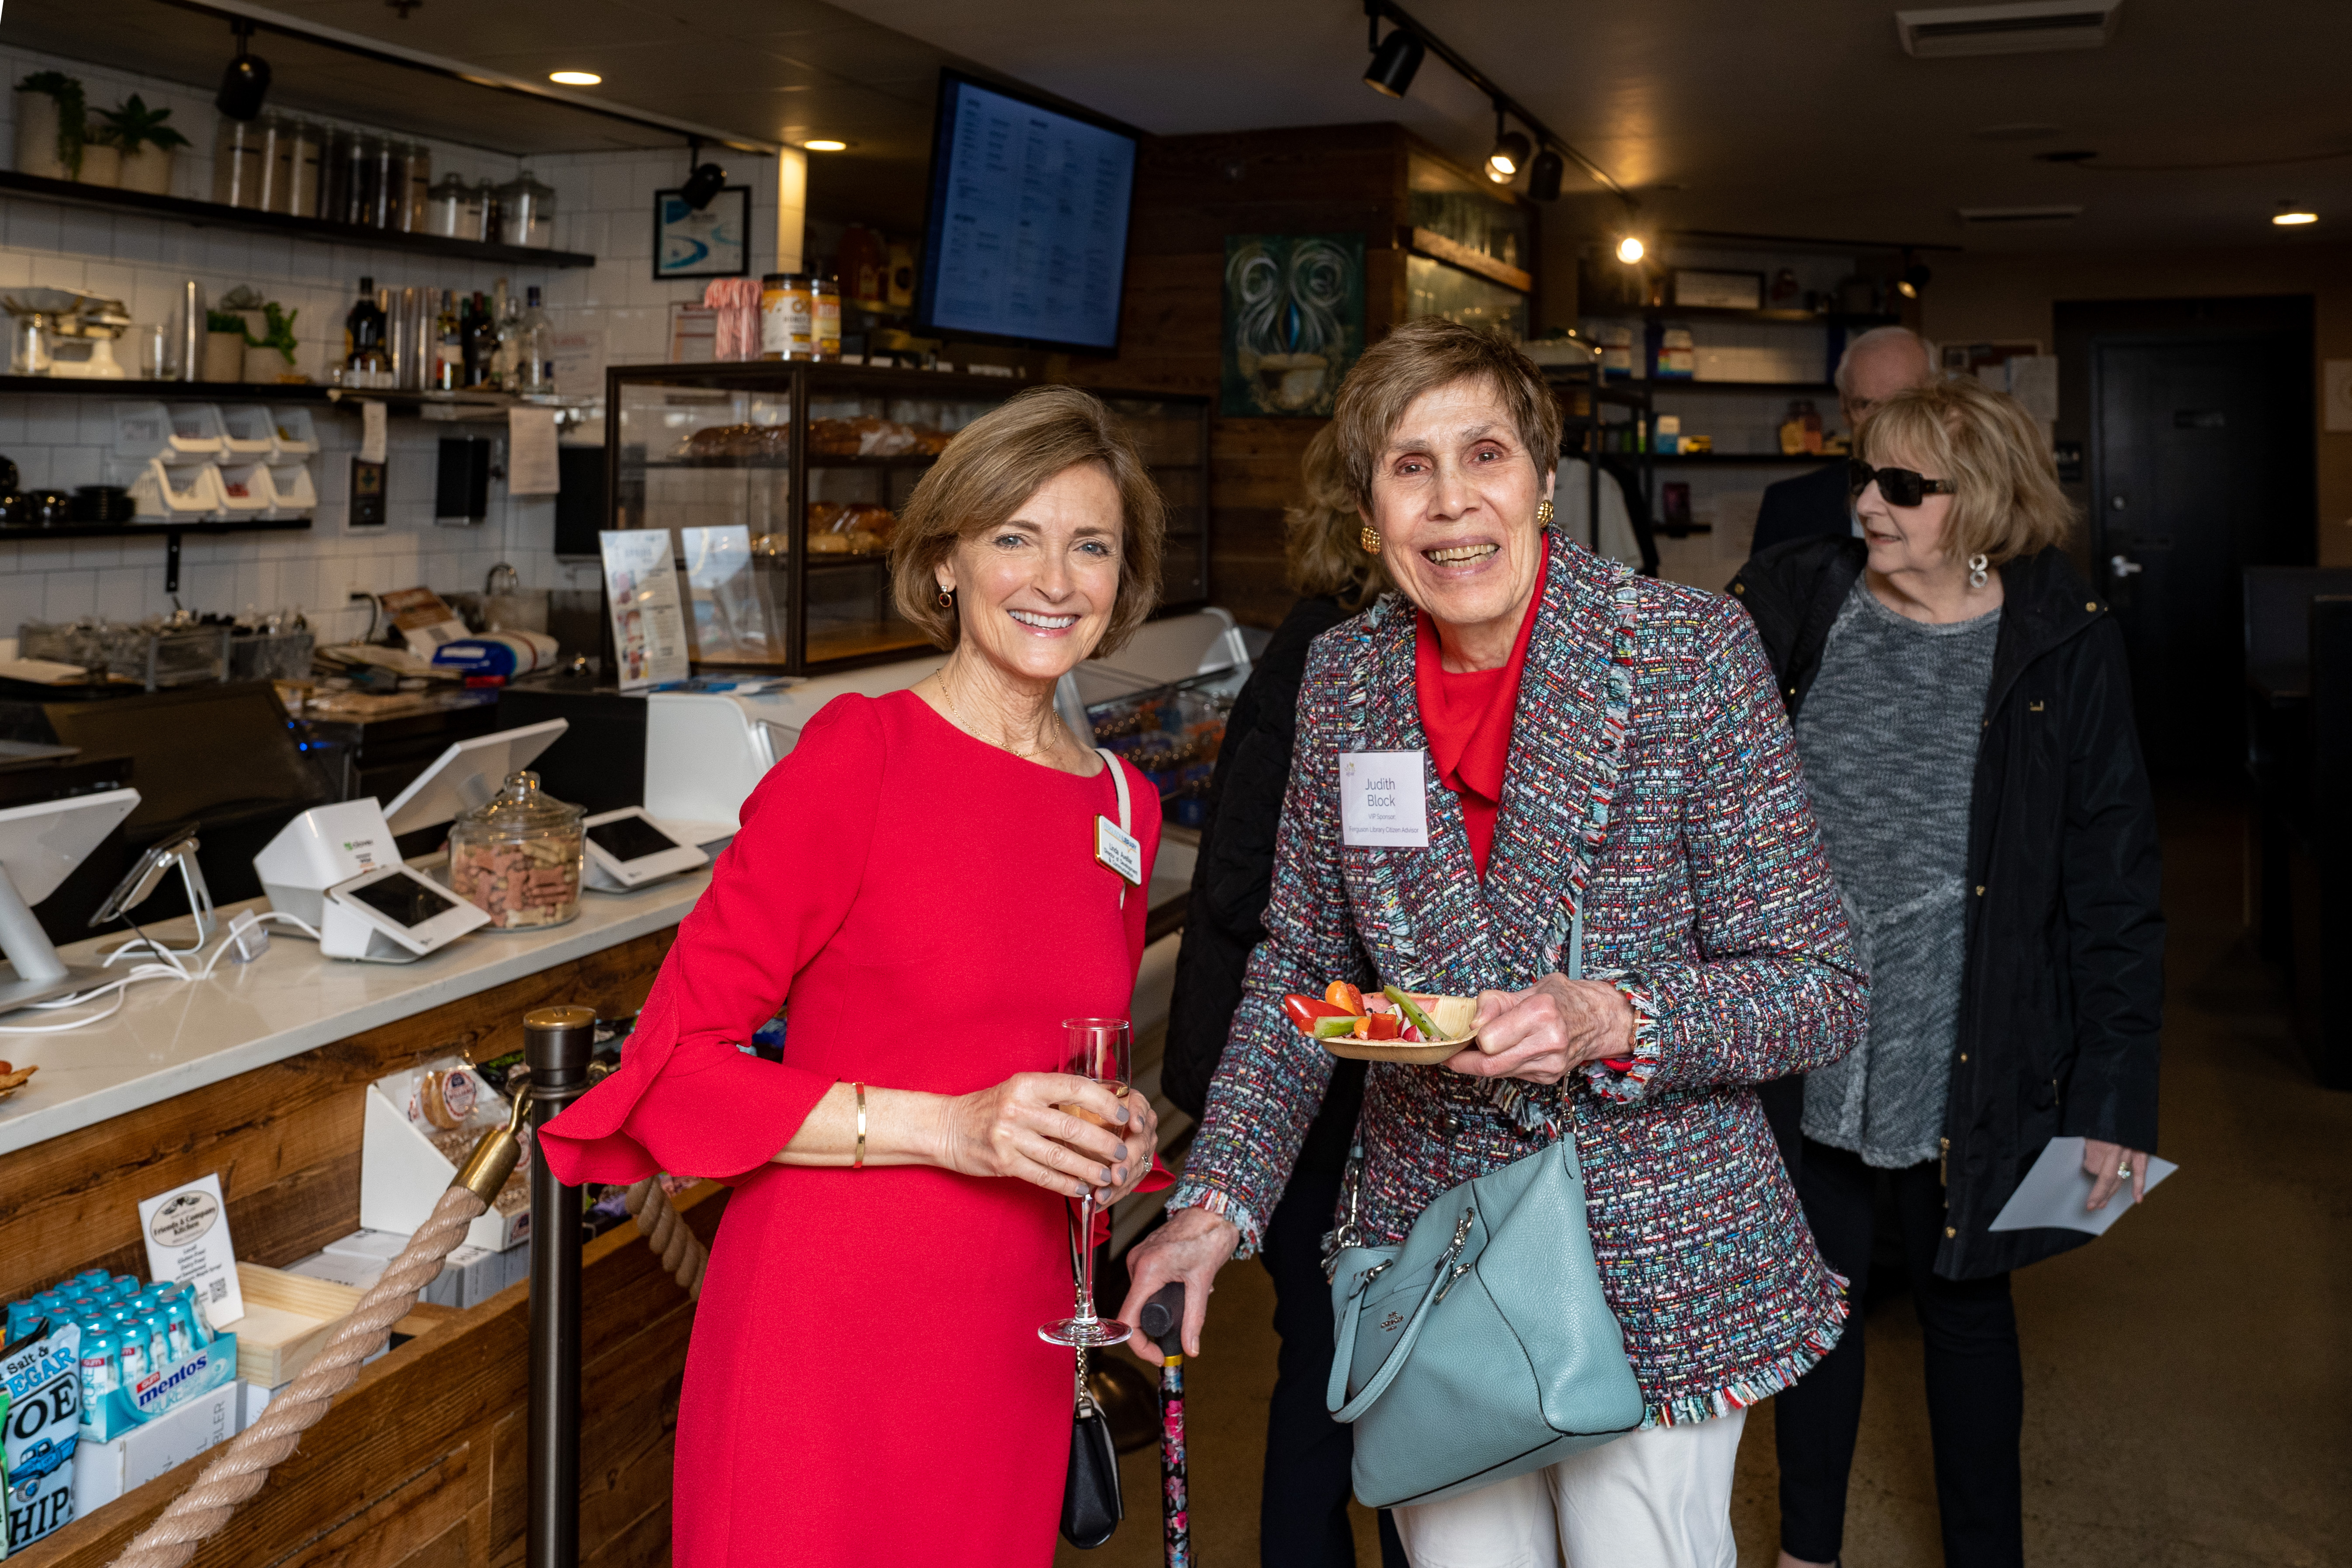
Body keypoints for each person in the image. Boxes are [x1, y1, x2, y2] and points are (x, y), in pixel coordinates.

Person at [1121, 319, 1868, 1568]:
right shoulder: (1344, 680)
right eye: (1408, 467)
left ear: (1541, 477)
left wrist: (1613, 1018)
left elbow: (1817, 987)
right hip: (1435, 1245)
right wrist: (1211, 1207)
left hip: (1653, 1241)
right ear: (1366, 513)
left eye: (1483, 454)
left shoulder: (1683, 654)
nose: (1451, 502)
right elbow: (1300, 969)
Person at [538, 385, 1170, 1568]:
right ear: (944, 562)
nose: (1053, 577)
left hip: (1011, 1341)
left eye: (1088, 543)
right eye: (1012, 537)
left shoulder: (1122, 804)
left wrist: (1115, 1136)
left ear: (1121, 577)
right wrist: (952, 1127)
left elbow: (1055, 1050)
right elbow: (671, 1066)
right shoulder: (859, 761)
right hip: (827, 1337)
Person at [1727, 377, 2164, 1568]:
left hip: (1970, 1032)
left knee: (1967, 1308)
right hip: (1808, 1027)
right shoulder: (1794, 599)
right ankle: (1803, 1550)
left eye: (1901, 488)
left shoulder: (2059, 639)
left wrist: (2110, 1102)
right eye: (1862, 474)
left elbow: (2112, 891)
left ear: (1979, 506)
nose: (1863, 503)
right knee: (1808, 1307)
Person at [1162, 424, 1407, 1568]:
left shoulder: (1379, 643)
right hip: (1315, 1075)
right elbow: (1254, 882)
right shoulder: (1330, 653)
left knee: (1358, 1365)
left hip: (1364, 1071)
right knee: (1328, 1367)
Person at [1751, 326, 1936, 552]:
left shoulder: (1973, 504)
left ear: (1936, 404)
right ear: (1844, 408)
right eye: (1867, 405)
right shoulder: (1787, 507)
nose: (1883, 422)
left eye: (1903, 405)